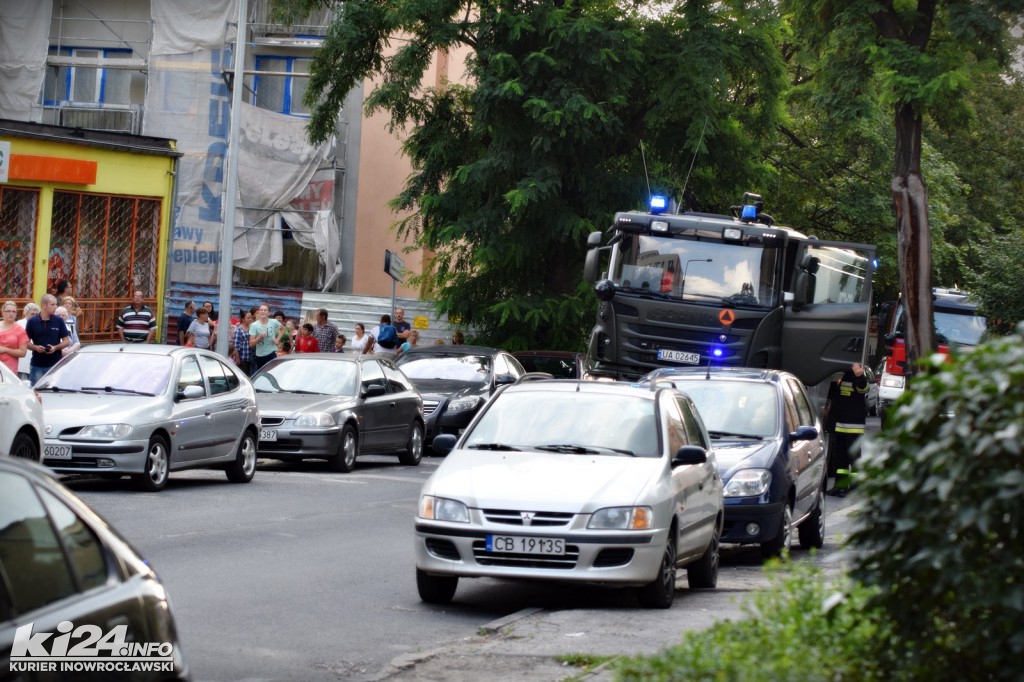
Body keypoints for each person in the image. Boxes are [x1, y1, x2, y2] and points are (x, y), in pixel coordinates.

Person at [824, 362, 869, 497]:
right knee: (840, 459)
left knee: (854, 458)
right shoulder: (842, 376)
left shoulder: (858, 374)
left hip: (853, 426)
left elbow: (863, 389)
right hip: (840, 425)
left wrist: (860, 376)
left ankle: (855, 487)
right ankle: (841, 486)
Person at [25, 294, 70, 385]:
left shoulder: (59, 321)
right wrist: (36, 348)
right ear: (44, 306)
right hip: (37, 365)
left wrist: (56, 347)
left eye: (56, 304)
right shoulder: (32, 322)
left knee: (55, 393)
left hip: (56, 365)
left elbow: (66, 341)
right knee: (37, 393)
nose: (56, 307)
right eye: (52, 305)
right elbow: (25, 342)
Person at [250, 304, 284, 372]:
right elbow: (251, 344)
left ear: (269, 313)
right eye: (261, 310)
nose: (263, 311)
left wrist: (277, 339)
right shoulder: (254, 325)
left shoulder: (274, 322)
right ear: (259, 312)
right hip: (260, 355)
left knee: (272, 372)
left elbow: (283, 329)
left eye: (265, 310)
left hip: (271, 353)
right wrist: (259, 337)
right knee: (261, 375)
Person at [0, 300, 29, 374]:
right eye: (8, 311)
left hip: (9, 371)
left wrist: (5, 349)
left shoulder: (20, 330)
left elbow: (23, 353)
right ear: (2, 312)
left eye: (13, 311)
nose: (11, 314)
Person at [16, 303, 39, 379]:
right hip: (23, 360)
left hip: (35, 359)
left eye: (36, 314)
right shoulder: (19, 324)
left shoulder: (39, 324)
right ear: (26, 314)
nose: (34, 316)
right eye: (32, 314)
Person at [231, 308, 254, 375]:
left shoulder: (252, 328)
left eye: (251, 318)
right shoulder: (239, 330)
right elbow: (236, 345)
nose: (250, 319)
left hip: (250, 356)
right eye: (248, 318)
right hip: (242, 356)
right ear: (243, 319)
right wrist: (237, 358)